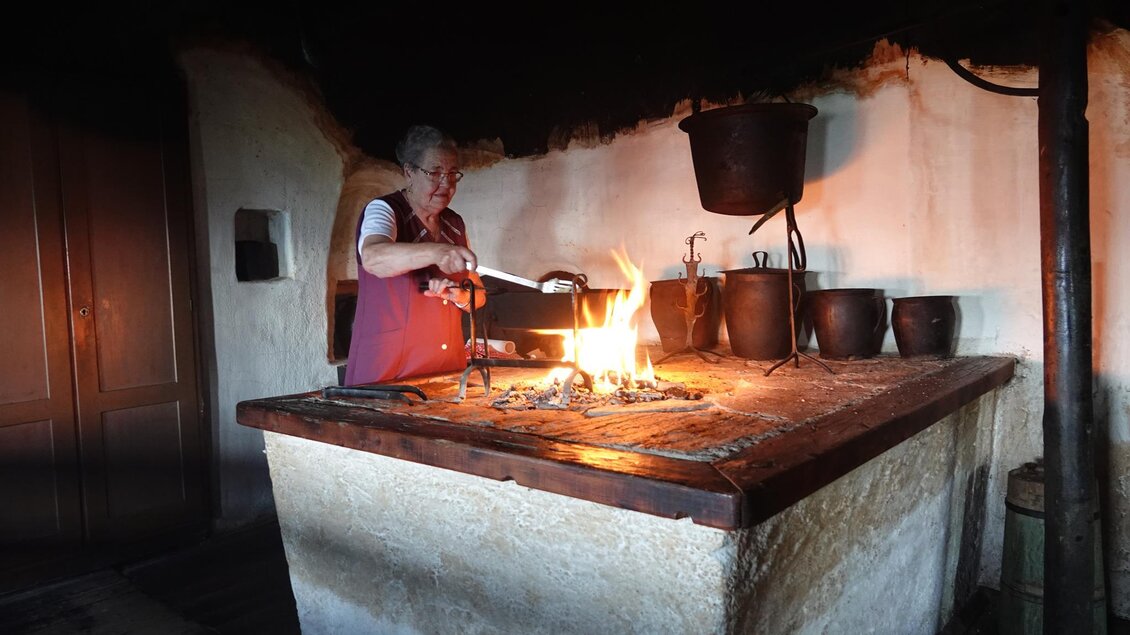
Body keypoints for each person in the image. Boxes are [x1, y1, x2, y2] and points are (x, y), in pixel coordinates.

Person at [344, 125, 485, 386]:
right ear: (409, 172)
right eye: (435, 173)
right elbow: (374, 258)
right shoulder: (385, 209)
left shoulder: (455, 224)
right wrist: (437, 252)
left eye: (452, 174)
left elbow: (477, 295)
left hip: (446, 365)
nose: (446, 184)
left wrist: (458, 295)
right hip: (390, 369)